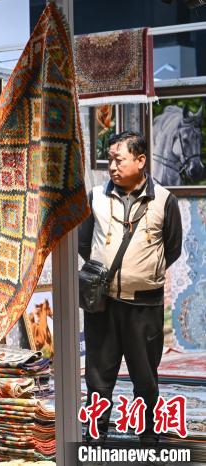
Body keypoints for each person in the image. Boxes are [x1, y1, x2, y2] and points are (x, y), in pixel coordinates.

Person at [79, 131, 182, 446]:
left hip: (144, 307)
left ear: (140, 160)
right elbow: (84, 243)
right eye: (110, 159)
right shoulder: (96, 197)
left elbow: (172, 248)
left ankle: (149, 438)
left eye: (118, 159)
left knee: (145, 378)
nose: (112, 166)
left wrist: (143, 274)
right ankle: (95, 437)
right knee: (98, 378)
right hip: (103, 303)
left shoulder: (164, 200)